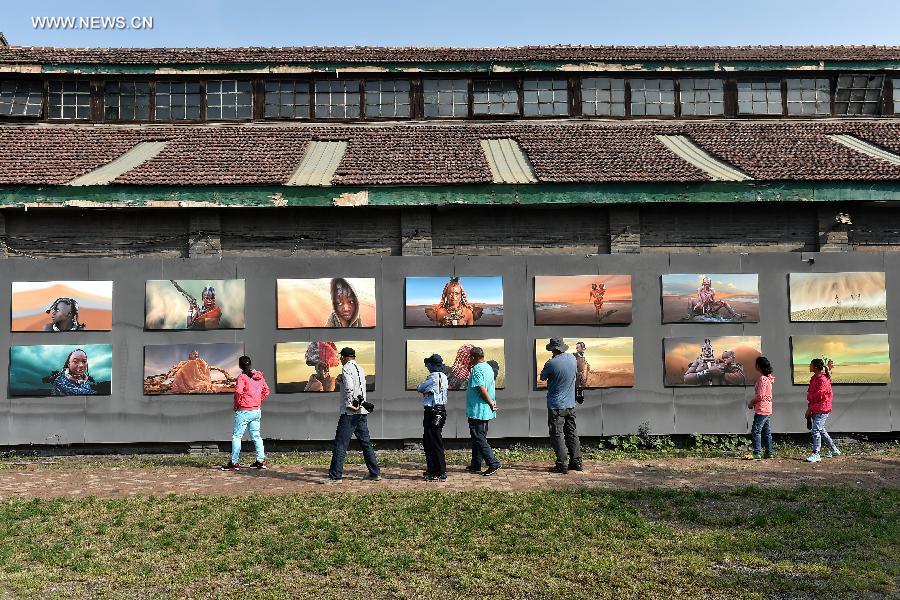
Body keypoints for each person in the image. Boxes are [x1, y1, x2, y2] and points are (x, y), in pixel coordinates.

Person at [323, 347, 382, 483]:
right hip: (362, 411)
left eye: (341, 358)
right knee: (366, 443)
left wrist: (350, 404)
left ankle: (335, 476)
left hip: (350, 412)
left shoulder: (346, 368)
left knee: (340, 444)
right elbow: (357, 386)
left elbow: (350, 387)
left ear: (344, 357)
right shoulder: (360, 369)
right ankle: (375, 473)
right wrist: (342, 381)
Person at [538, 338, 582, 474]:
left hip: (556, 405)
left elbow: (542, 377)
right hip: (570, 403)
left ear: (553, 349)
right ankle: (577, 462)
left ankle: (562, 464)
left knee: (557, 434)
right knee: (572, 433)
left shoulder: (551, 363)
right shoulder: (572, 359)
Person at [222, 355, 270, 471]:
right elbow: (266, 391)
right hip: (256, 410)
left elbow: (238, 392)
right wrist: (257, 400)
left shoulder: (242, 377)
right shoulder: (259, 376)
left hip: (244, 410)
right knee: (256, 436)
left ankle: (234, 463)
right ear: (250, 364)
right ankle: (260, 461)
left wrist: (237, 405)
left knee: (237, 436)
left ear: (240, 366)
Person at [465, 346, 501, 476]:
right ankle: (476, 464)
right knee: (478, 437)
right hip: (485, 410)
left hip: (478, 410)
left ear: (473, 357)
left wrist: (490, 402)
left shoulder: (477, 369)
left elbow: (481, 388)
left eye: (470, 357)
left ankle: (493, 463)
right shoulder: (488, 367)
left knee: (479, 438)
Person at [417, 354, 449, 482]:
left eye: (428, 364)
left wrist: (426, 391)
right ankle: (433, 470)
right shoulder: (444, 377)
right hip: (441, 411)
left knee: (432, 442)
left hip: (432, 411)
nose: (427, 366)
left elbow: (420, 387)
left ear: (432, 365)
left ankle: (439, 471)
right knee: (434, 441)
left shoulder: (432, 377)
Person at [806, 358, 840, 463]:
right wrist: (810, 408)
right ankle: (834, 450)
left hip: (822, 408)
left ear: (815, 367)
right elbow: (812, 396)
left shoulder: (822, 380)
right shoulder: (815, 378)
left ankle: (816, 454)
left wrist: (810, 407)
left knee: (816, 430)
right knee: (821, 430)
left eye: (810, 365)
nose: (809, 366)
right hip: (817, 408)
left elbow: (819, 396)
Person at [747, 356, 775, 460]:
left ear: (758, 366)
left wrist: (751, 403)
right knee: (766, 432)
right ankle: (769, 452)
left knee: (756, 430)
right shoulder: (768, 378)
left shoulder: (762, 379)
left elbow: (760, 396)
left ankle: (757, 452)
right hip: (767, 408)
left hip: (762, 409)